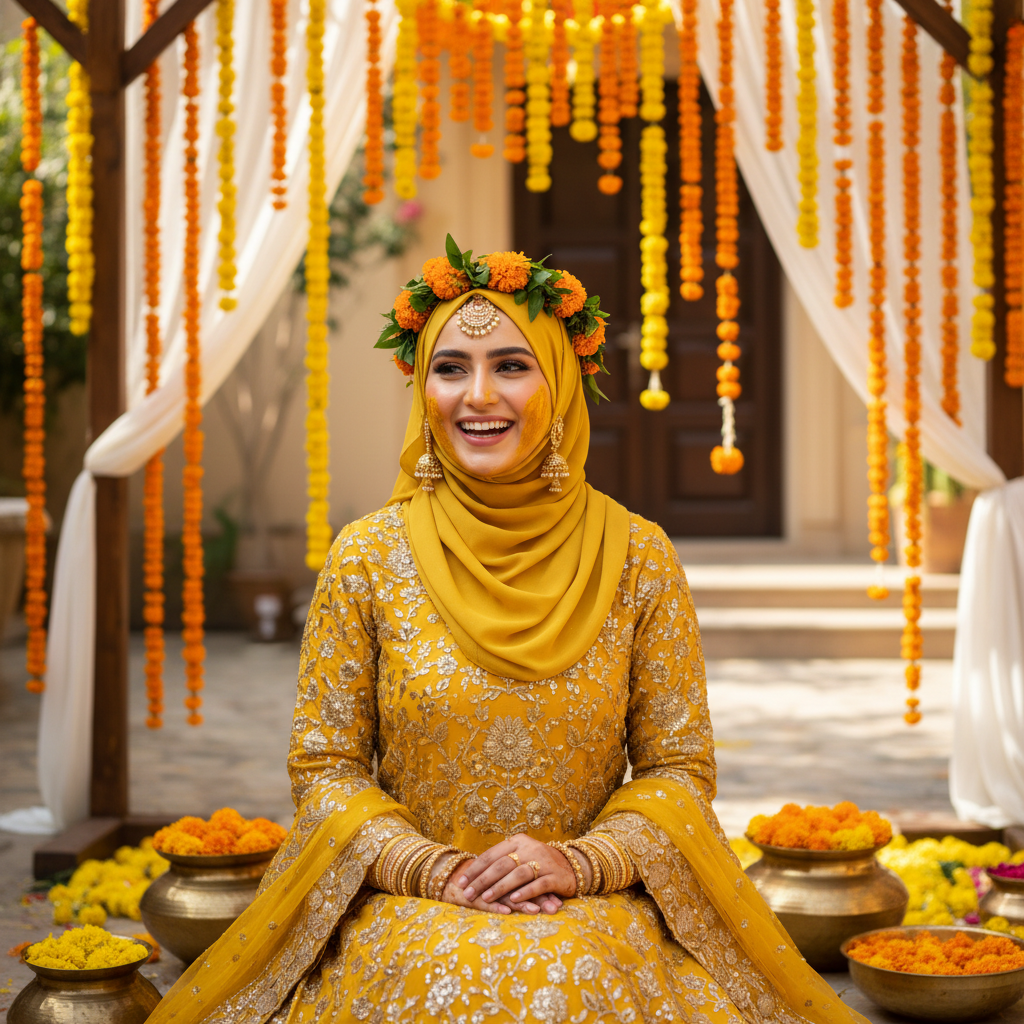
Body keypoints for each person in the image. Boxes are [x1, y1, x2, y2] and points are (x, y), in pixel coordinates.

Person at [149, 244, 867, 1024]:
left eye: (512, 366)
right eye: (450, 368)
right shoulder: (366, 558)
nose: (477, 395)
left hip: (588, 904)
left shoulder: (638, 558)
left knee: (561, 982)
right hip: (407, 898)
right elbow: (325, 769)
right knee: (451, 987)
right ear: (422, 386)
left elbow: (678, 770)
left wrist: (579, 863)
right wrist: (431, 870)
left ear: (559, 384)